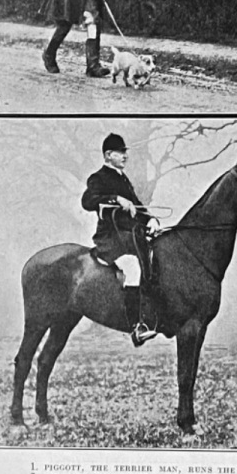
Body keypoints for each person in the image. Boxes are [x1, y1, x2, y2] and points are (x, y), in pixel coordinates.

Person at [81, 133, 158, 346]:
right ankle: (137, 326)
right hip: (110, 237)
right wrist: (115, 198)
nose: (125, 156)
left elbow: (137, 206)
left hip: (130, 235)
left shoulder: (123, 178)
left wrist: (150, 219)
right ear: (108, 155)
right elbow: (87, 201)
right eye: (120, 152)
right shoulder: (98, 178)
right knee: (133, 266)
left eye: (125, 152)